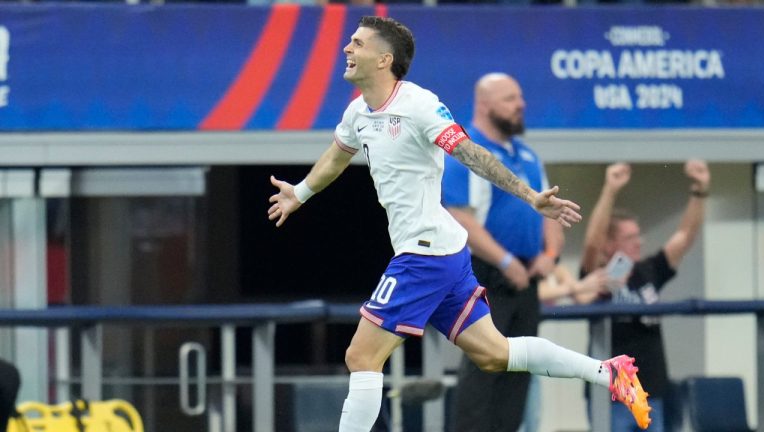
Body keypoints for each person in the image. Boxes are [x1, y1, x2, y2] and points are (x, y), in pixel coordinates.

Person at [268, 16, 651, 432]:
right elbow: (338, 155)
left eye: (357, 43)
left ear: (384, 59)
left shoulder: (418, 105)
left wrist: (528, 197)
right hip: (442, 252)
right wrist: (301, 192)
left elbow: (472, 154)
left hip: (425, 253)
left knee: (361, 357)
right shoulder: (358, 110)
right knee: (494, 354)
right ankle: (609, 373)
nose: (347, 48)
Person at [442, 72, 567, 432]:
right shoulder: (465, 152)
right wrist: (505, 260)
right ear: (484, 104)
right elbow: (459, 216)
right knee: (483, 369)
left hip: (526, 280)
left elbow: (549, 209)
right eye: (511, 98)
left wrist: (551, 254)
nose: (521, 105)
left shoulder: (528, 156)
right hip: (485, 275)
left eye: (521, 97)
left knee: (520, 371)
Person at [580, 160, 710, 431]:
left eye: (638, 235)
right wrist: (610, 190)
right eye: (630, 237)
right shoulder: (598, 276)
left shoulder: (647, 271)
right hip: (612, 394)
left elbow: (684, 237)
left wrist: (699, 191)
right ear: (610, 244)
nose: (639, 242)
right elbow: (592, 242)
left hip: (652, 392)